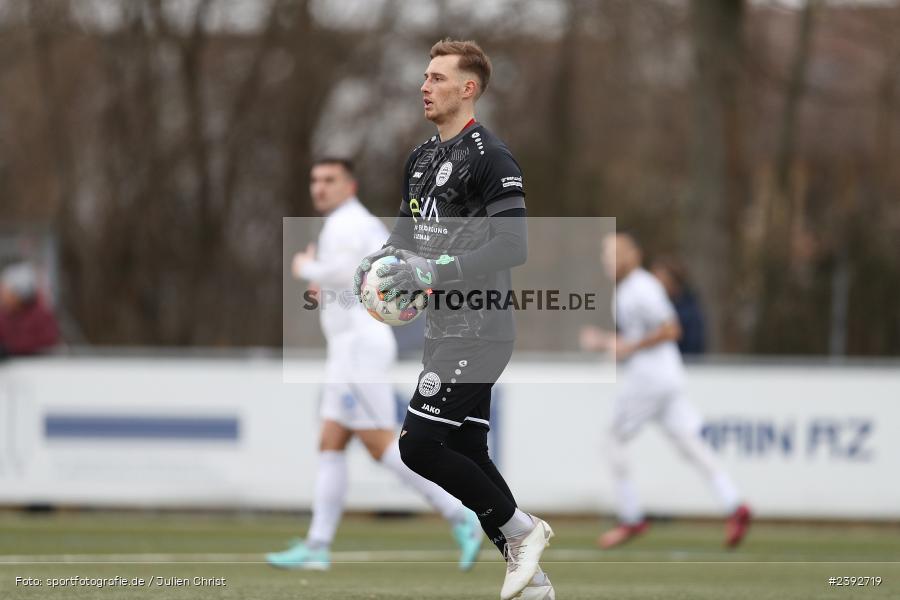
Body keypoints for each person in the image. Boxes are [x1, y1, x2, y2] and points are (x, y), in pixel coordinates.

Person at [353, 39, 554, 600]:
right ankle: (534, 587)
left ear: (468, 89)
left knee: (417, 446)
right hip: (444, 328)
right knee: (466, 453)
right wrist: (379, 267)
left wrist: (435, 271)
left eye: (438, 78)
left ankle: (522, 530)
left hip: (482, 327)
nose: (425, 85)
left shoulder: (492, 156)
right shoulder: (420, 160)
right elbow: (405, 236)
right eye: (424, 76)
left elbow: (513, 245)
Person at [267, 157, 483, 571]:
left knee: (382, 445)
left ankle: (463, 515)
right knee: (331, 441)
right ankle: (317, 546)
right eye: (315, 179)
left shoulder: (348, 223)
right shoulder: (353, 223)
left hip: (359, 350)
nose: (320, 187)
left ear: (350, 186)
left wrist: (307, 268)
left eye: (329, 180)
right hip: (347, 349)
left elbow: (354, 271)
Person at [580, 233, 751, 550]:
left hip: (650, 380)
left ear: (629, 256)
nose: (607, 263)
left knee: (612, 439)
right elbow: (635, 338)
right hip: (666, 378)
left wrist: (623, 345)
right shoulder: (629, 289)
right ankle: (735, 505)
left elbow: (671, 329)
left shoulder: (641, 288)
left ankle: (631, 517)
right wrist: (611, 343)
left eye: (611, 255)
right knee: (690, 445)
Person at [0, 262, 59, 358]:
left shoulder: (41, 316)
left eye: (6, 291)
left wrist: (10, 349)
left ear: (19, 293)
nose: (2, 295)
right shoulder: (3, 315)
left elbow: (46, 344)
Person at [651, 256, 706, 355]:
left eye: (661, 280)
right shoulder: (653, 307)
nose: (655, 286)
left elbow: (693, 348)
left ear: (675, 283)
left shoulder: (690, 313)